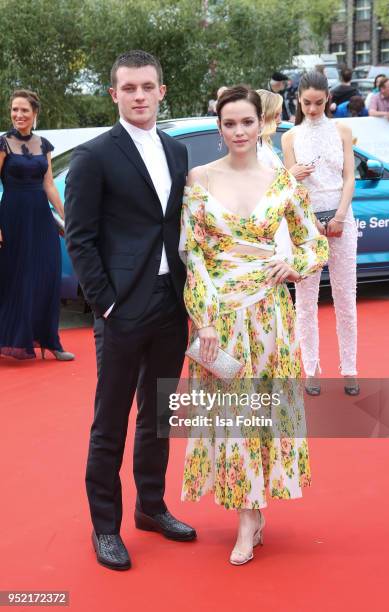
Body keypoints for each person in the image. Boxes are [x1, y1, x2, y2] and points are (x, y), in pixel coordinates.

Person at [179, 85, 328, 565]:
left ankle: (253, 512)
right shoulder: (199, 178)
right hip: (219, 318)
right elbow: (194, 255)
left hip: (270, 316)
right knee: (233, 419)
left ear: (260, 125)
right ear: (219, 128)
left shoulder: (281, 180)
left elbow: (314, 243)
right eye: (230, 123)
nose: (239, 131)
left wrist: (295, 266)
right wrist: (203, 318)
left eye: (247, 122)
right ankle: (247, 516)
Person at [64, 50, 196, 572]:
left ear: (162, 91)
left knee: (159, 414)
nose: (139, 95)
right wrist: (107, 303)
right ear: (114, 94)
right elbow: (80, 238)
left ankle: (151, 506)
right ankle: (105, 527)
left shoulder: (177, 150)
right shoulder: (94, 156)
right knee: (110, 421)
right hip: (122, 309)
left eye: (147, 86)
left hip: (171, 302)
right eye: (128, 87)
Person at [282, 71, 359, 396]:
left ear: (327, 99)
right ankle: (311, 369)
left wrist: (340, 216)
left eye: (318, 102)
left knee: (345, 299)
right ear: (298, 100)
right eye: (306, 103)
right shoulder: (290, 137)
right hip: (307, 225)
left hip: (342, 217)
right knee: (306, 302)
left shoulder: (342, 130)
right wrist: (308, 221)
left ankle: (350, 369)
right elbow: (291, 186)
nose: (312, 109)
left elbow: (349, 178)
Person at [0, 90, 74, 361]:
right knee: (13, 279)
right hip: (12, 218)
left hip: (41, 218)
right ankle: (8, 338)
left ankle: (50, 341)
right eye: (14, 110)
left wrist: (68, 217)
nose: (18, 115)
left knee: (46, 276)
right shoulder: (3, 143)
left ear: (35, 114)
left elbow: (49, 185)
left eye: (24, 110)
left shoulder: (44, 144)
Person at [256, 89, 292, 260]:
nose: (279, 120)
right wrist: (292, 175)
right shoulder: (257, 150)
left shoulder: (264, 145)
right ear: (265, 116)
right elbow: (262, 191)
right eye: (276, 115)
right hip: (269, 233)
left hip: (276, 229)